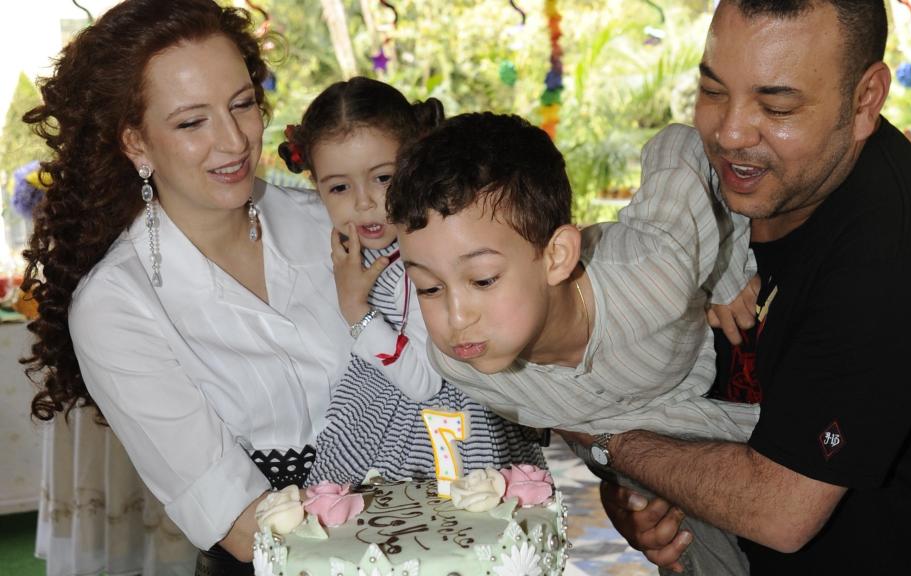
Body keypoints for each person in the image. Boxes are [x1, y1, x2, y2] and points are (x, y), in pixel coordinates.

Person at [592, 0, 911, 573]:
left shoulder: (892, 263)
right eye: (713, 92)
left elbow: (778, 511)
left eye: (777, 104)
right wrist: (636, 496)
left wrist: (610, 440)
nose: (730, 133)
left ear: (865, 101)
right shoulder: (718, 192)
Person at [21, 1, 350, 573]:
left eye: (243, 104)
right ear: (136, 143)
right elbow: (245, 527)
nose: (233, 141)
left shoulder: (332, 224)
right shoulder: (116, 307)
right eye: (192, 121)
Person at [387, 111, 761, 574]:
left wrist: (723, 268)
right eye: (428, 287)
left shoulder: (655, 274)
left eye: (482, 280)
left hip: (724, 405)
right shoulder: (463, 365)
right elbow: (579, 429)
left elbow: (680, 143)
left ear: (557, 256)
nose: (456, 317)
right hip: (647, 447)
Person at [276, 77, 544, 485]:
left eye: (382, 178)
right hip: (370, 416)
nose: (364, 202)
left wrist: (358, 312)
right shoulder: (351, 251)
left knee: (450, 530)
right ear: (316, 187)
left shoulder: (425, 260)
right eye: (339, 187)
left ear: (415, 162)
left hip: (439, 426)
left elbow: (422, 382)